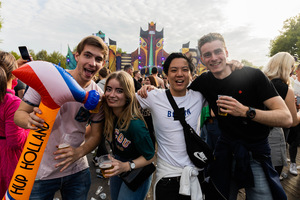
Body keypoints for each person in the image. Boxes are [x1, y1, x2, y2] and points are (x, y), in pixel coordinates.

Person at [189, 33, 292, 200]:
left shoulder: (253, 75)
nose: (213, 58)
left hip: (256, 152)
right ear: (202, 59)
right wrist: (149, 91)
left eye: (218, 51)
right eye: (207, 54)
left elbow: (286, 118)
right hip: (225, 151)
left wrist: (246, 111)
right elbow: (179, 95)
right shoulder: (204, 81)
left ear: (227, 52)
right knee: (219, 195)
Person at [14, 35, 108, 200]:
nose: (92, 63)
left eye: (98, 59)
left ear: (103, 64)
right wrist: (28, 120)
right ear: (76, 56)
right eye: (87, 55)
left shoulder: (98, 97)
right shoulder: (48, 80)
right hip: (40, 170)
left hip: (77, 171)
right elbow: (19, 114)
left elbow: (96, 134)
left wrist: (79, 152)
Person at [137, 53, 206, 200]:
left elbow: (225, 83)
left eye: (184, 70)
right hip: (167, 176)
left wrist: (233, 66)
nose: (179, 74)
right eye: (174, 70)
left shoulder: (199, 96)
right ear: (166, 74)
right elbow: (120, 101)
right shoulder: (154, 96)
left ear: (191, 74)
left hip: (194, 173)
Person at [101, 71, 155, 200]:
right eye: (109, 89)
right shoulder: (109, 114)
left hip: (138, 169)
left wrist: (127, 165)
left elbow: (150, 156)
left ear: (128, 95)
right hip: (118, 163)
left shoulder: (135, 125)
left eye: (119, 91)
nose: (112, 95)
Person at [263, 52, 300, 177]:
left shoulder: (260, 83)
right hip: (273, 136)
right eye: (291, 67)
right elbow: (293, 121)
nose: (293, 70)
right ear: (286, 67)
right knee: (272, 177)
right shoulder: (286, 89)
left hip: (255, 137)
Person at [0, 51, 29, 198]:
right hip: (8, 162)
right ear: (13, 74)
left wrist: (15, 68)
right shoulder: (12, 102)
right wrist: (30, 127)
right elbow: (15, 141)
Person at [288, 63, 300, 175]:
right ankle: (292, 163)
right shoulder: (292, 84)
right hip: (295, 115)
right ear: (297, 71)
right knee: (294, 141)